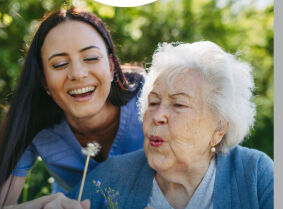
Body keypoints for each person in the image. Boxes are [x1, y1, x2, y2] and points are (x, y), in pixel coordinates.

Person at [67, 41, 274, 209]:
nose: (158, 116)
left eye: (179, 104)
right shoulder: (113, 176)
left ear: (219, 129)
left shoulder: (255, 175)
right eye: (154, 102)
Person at [0, 7, 145, 209]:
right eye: (59, 64)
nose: (77, 73)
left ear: (111, 67)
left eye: (91, 58)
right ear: (44, 80)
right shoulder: (32, 120)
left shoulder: (154, 96)